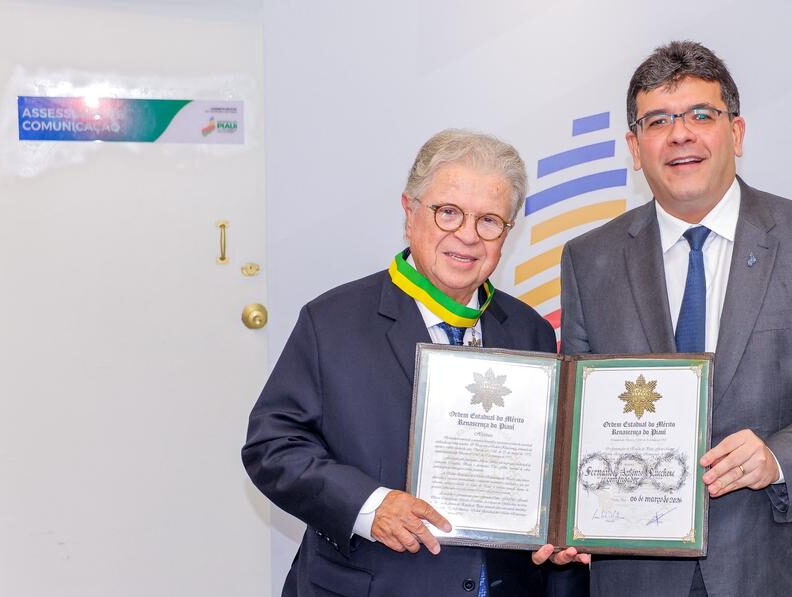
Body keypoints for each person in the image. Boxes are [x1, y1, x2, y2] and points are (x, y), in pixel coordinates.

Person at [558, 41, 792, 596]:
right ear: (635, 148)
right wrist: (564, 514)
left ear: (735, 133)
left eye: (700, 115)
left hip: (778, 565)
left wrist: (777, 456)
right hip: (637, 569)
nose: (680, 134)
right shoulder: (589, 260)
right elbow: (578, 415)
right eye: (658, 120)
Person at [243, 129, 586, 596]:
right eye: (449, 212)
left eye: (489, 220)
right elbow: (273, 447)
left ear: (507, 233)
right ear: (410, 213)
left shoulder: (531, 332)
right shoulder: (332, 322)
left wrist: (562, 527)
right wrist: (369, 507)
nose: (467, 235)